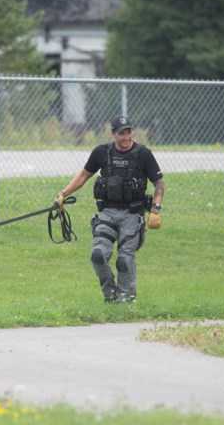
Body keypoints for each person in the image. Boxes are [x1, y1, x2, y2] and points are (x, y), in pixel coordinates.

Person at [54, 116, 165, 303]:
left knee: (124, 259)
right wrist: (63, 194)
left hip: (132, 214)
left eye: (128, 131)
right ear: (113, 134)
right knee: (97, 255)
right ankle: (110, 294)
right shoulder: (101, 153)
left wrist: (156, 209)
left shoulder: (143, 154)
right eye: (121, 133)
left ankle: (127, 297)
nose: (126, 136)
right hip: (107, 213)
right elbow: (83, 175)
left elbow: (159, 184)